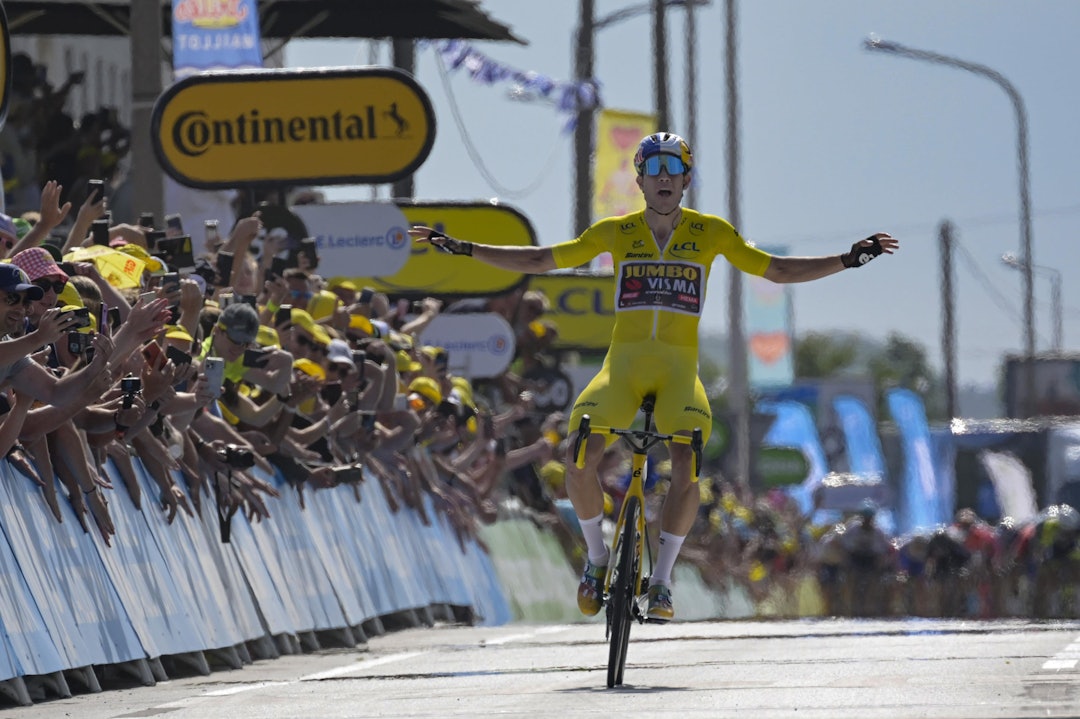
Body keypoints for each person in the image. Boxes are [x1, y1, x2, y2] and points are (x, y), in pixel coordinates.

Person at [412, 131, 900, 622]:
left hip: (678, 374)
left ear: (686, 180)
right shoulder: (616, 232)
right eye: (654, 169)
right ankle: (596, 561)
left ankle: (662, 580)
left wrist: (847, 259)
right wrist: (464, 248)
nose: (664, 177)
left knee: (687, 461)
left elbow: (777, 271)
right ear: (641, 180)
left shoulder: (711, 232)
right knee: (578, 455)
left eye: (673, 169)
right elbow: (540, 260)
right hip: (621, 372)